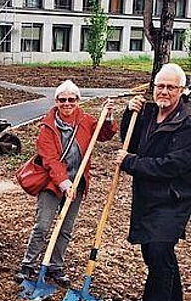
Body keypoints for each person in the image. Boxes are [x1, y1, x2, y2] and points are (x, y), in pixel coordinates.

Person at [14, 80, 117, 286]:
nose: (67, 103)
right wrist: (64, 183)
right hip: (52, 183)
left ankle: (55, 267)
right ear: (56, 101)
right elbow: (50, 159)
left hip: (77, 183)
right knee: (43, 225)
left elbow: (104, 135)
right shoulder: (47, 127)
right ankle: (28, 264)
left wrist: (108, 116)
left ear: (78, 101)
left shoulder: (85, 120)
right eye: (63, 100)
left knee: (66, 228)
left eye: (72, 100)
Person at [116, 63, 191, 301]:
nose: (164, 91)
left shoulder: (187, 122)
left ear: (181, 91)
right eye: (160, 86)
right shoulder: (148, 113)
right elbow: (130, 143)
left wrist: (131, 164)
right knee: (153, 252)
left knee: (159, 252)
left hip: (174, 198)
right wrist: (129, 114)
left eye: (171, 87)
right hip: (147, 197)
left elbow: (173, 165)